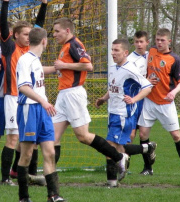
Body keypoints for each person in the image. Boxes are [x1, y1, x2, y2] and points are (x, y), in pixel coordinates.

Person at [44, 18, 129, 179]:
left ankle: (119, 157)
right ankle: (50, 177)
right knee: (52, 138)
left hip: (73, 94)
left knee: (83, 136)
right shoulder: (65, 47)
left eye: (57, 31)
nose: (54, 34)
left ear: (67, 31)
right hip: (63, 95)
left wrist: (64, 66)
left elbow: (88, 65)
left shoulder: (74, 44)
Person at [0, 0, 48, 186]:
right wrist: (5, 1)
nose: (29, 37)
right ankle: (3, 179)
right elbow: (3, 24)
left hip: (31, 101)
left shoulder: (32, 51)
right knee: (13, 139)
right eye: (25, 34)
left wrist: (44, 4)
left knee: (31, 140)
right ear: (16, 35)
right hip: (13, 97)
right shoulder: (10, 47)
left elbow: (39, 28)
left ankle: (27, 175)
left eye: (30, 35)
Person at [95, 38, 157, 187]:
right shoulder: (113, 67)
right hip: (112, 112)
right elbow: (114, 88)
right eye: (112, 50)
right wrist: (103, 99)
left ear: (125, 53)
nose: (113, 53)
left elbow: (147, 86)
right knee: (117, 147)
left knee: (109, 146)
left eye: (116, 50)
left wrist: (134, 99)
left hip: (124, 114)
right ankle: (147, 148)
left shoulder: (131, 68)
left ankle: (114, 176)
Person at [16, 27, 65, 202]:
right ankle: (24, 197)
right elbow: (23, 87)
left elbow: (39, 71)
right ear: (44, 41)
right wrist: (43, 101)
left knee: (50, 152)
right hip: (29, 109)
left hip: (43, 112)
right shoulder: (24, 60)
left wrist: (56, 68)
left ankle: (53, 195)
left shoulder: (35, 60)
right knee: (27, 154)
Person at [138, 28, 180, 177]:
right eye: (157, 40)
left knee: (176, 136)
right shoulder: (151, 52)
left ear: (169, 41)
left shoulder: (175, 59)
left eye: (162, 40)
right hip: (149, 101)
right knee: (143, 134)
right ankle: (148, 168)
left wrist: (173, 92)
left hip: (165, 103)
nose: (159, 43)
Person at [127, 31, 150, 142]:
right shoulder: (130, 60)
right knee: (131, 135)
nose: (139, 44)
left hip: (148, 100)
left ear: (147, 42)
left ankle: (148, 155)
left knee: (143, 134)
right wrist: (147, 81)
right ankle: (125, 158)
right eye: (137, 42)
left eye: (141, 42)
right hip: (134, 99)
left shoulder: (151, 56)